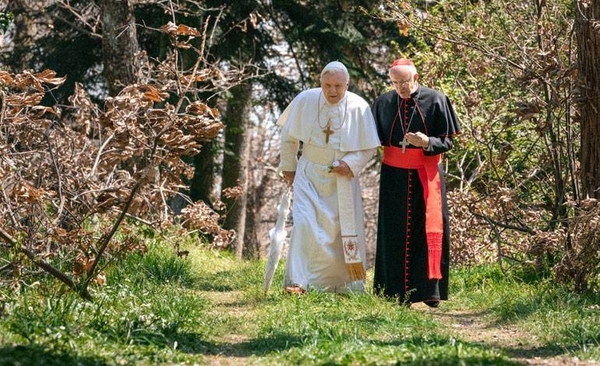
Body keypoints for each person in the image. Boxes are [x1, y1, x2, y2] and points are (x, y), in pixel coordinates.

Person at [277, 61, 380, 294]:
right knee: (304, 224)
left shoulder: (358, 107)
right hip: (309, 172)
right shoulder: (305, 100)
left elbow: (368, 148)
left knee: (338, 231)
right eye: (327, 85)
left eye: (338, 86)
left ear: (347, 84)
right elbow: (289, 137)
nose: (332, 91)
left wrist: (349, 164)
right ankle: (298, 281)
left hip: (341, 179)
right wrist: (289, 168)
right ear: (320, 83)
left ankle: (343, 285)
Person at [371, 58, 461, 307]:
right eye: (395, 82)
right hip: (393, 176)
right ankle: (394, 292)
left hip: (427, 173)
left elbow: (448, 142)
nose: (400, 87)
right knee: (393, 232)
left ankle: (429, 291)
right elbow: (370, 138)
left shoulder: (436, 100)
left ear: (416, 78)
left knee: (428, 229)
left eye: (405, 82)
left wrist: (427, 142)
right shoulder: (383, 103)